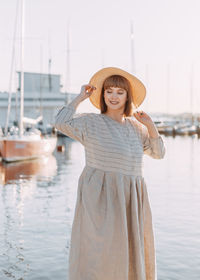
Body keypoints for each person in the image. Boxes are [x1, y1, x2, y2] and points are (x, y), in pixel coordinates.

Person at [54, 67, 166, 280]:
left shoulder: (137, 128)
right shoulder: (90, 122)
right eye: (109, 91)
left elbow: (159, 153)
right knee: (100, 255)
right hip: (100, 200)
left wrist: (151, 126)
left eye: (120, 92)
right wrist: (80, 97)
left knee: (131, 254)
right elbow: (60, 122)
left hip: (131, 200)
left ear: (127, 96)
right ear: (103, 94)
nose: (113, 96)